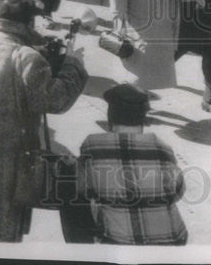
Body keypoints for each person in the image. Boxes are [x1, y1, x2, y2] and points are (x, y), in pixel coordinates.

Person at [0, 0, 87, 242]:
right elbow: (56, 100)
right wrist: (73, 64)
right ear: (29, 24)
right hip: (2, 166)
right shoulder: (25, 57)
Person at [59, 84, 188, 245]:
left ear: (110, 117)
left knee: (68, 183)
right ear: (143, 118)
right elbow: (178, 191)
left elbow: (83, 190)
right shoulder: (162, 147)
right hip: (171, 242)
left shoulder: (93, 145)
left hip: (119, 243)